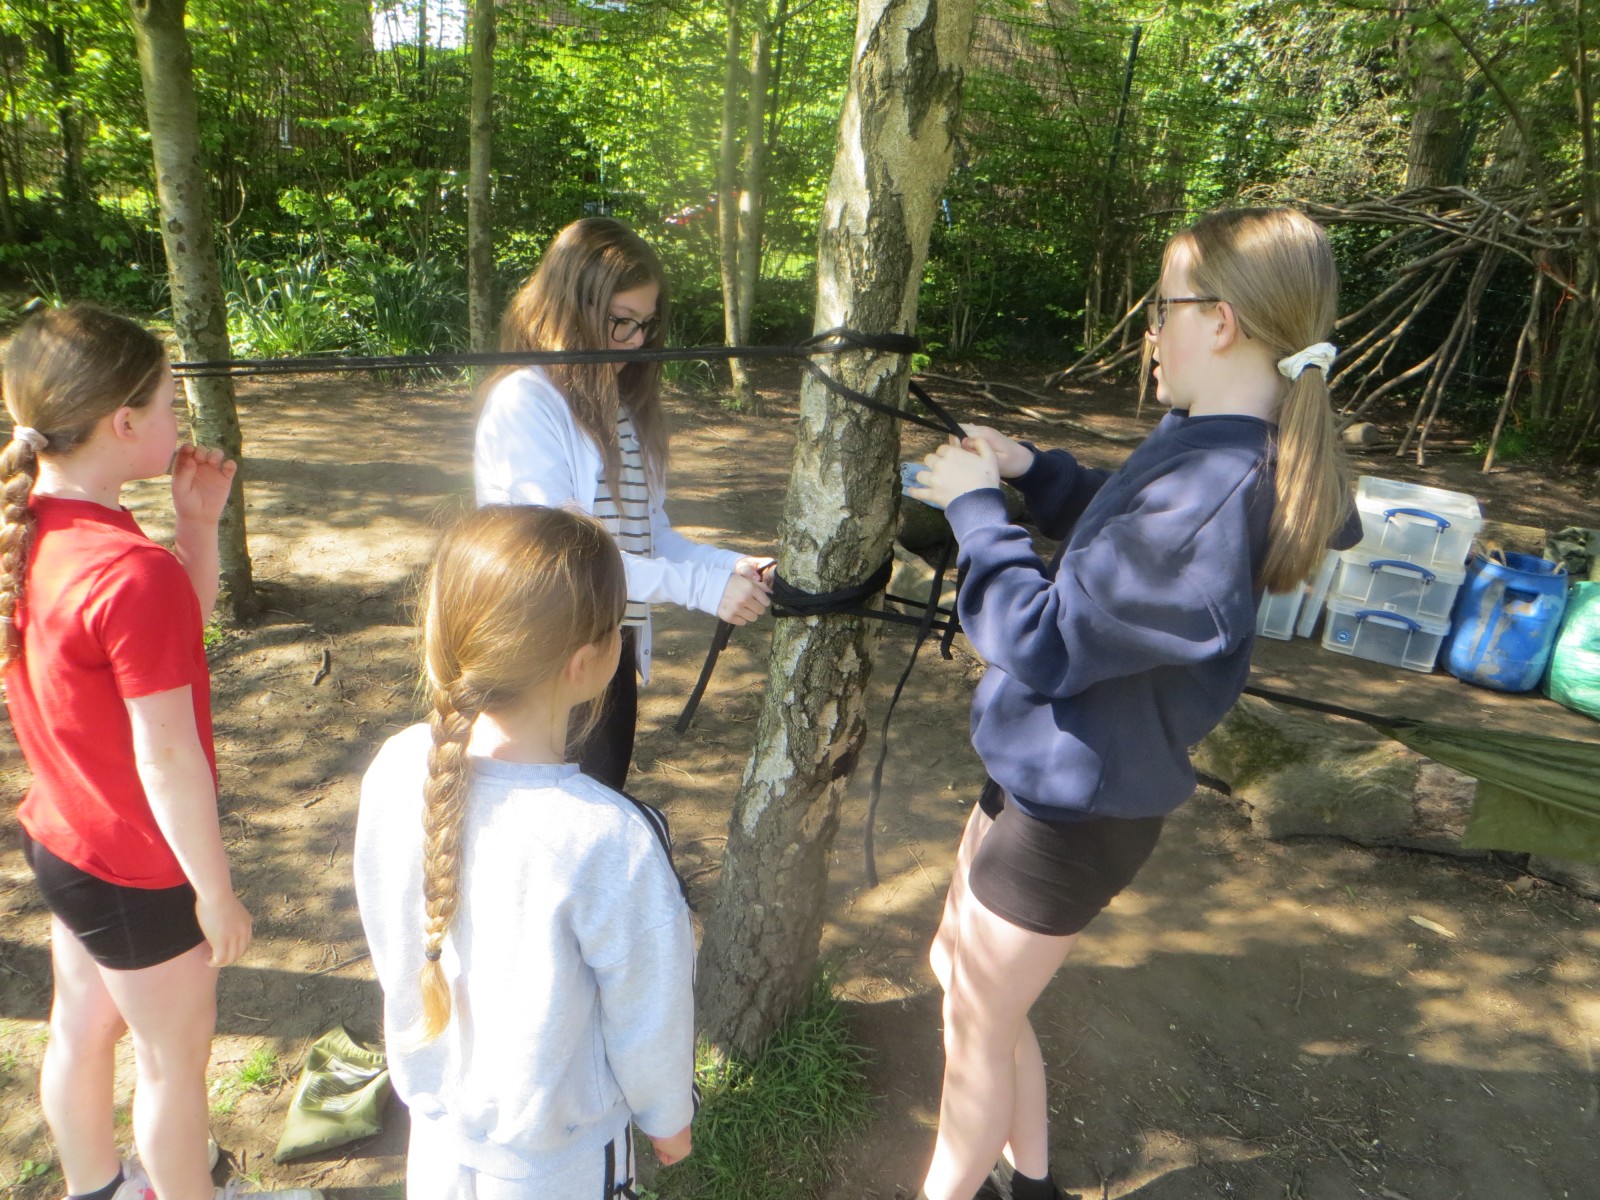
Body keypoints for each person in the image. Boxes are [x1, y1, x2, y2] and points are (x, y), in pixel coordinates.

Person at [905, 207, 1360, 1200]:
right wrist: (1033, 472)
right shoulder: (1208, 442)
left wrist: (975, 511)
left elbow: (1042, 637)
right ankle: (1031, 1183)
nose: (1150, 334)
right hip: (1045, 767)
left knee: (974, 1022)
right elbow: (1126, 528)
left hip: (1075, 807)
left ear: (1222, 322)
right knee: (961, 980)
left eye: (1163, 310)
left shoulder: (1215, 487)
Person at [0, 305, 318, 1200]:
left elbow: (169, 644)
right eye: (170, 403)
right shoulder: (123, 569)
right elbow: (169, 760)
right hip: (138, 869)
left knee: (83, 1027)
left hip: (65, 843)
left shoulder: (38, 528)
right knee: (173, 1062)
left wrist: (197, 528)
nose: (179, 420)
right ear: (125, 422)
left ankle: (98, 1190)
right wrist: (213, 892)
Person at [354, 505, 697, 1200]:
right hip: (564, 1163)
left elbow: (388, 928)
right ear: (589, 663)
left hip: (436, 1142)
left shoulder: (396, 767)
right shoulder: (610, 837)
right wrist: (669, 1117)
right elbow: (649, 1012)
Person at [474, 217, 773, 792]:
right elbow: (563, 562)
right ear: (571, 310)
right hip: (543, 663)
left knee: (600, 799)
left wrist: (728, 566)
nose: (636, 342)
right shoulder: (525, 403)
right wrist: (703, 589)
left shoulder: (621, 411)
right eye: (620, 322)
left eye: (645, 324)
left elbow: (649, 536)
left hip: (608, 656)